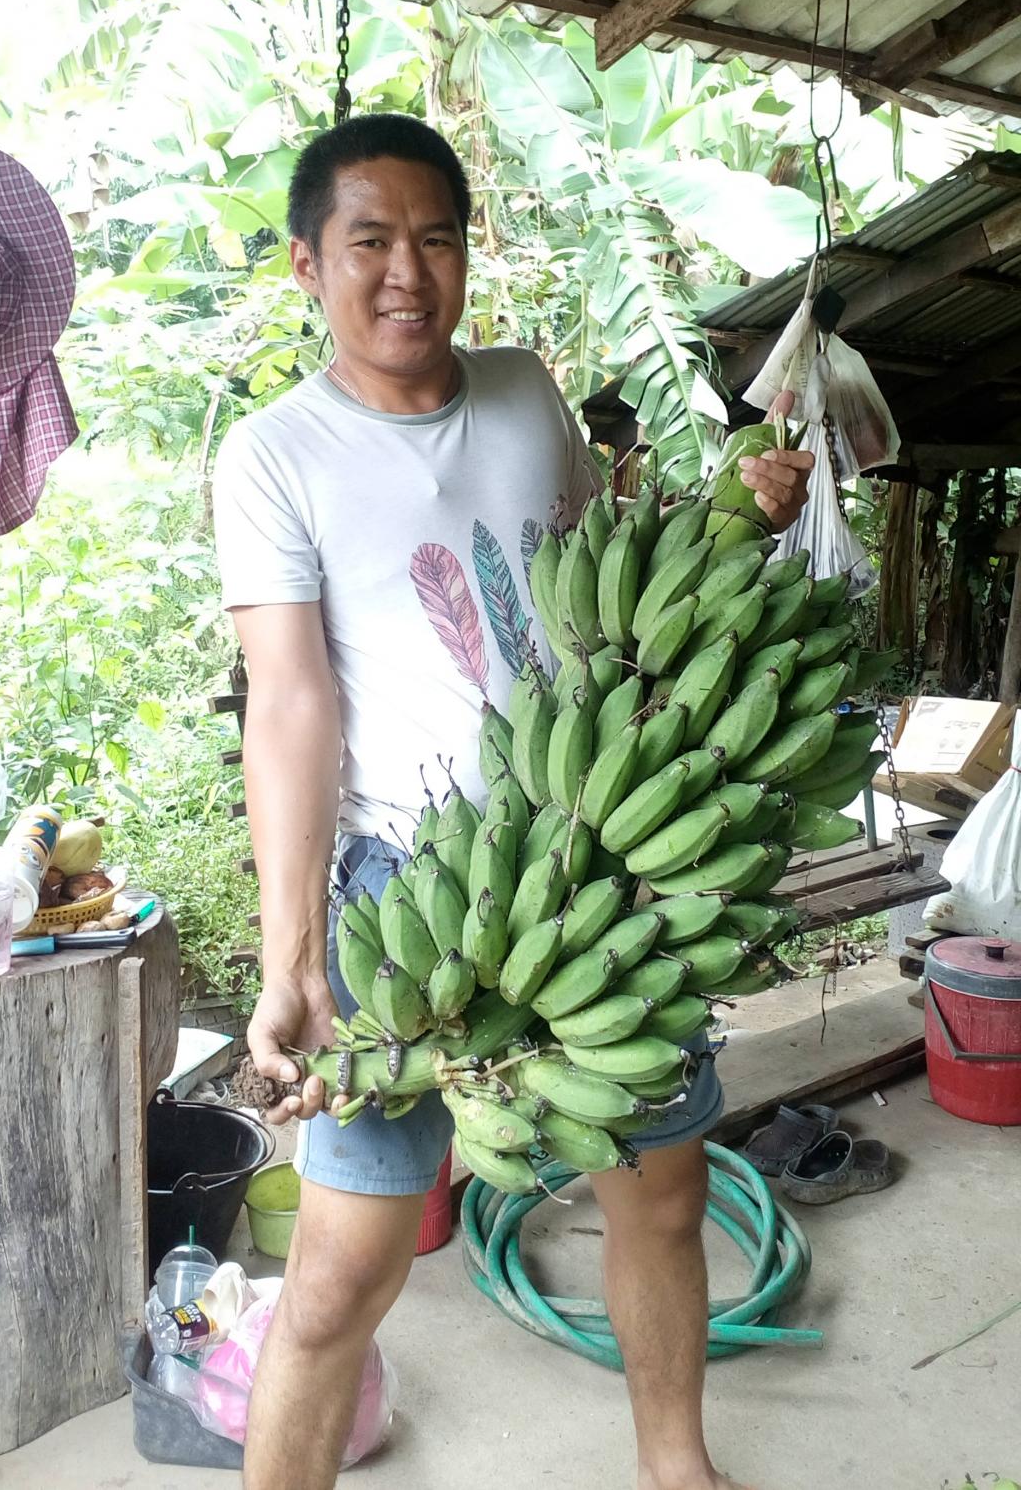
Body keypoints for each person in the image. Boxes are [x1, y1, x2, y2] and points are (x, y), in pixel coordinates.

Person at [212, 114, 813, 1490]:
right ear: (307, 261)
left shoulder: (528, 393)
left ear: (465, 253)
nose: (406, 272)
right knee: (341, 1270)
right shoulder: (275, 454)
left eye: (435, 239)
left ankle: (677, 1468)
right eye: (370, 241)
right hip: (414, 891)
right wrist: (290, 958)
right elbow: (290, 708)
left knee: (660, 1197)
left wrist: (734, 518)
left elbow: (604, 591)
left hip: (608, 854)